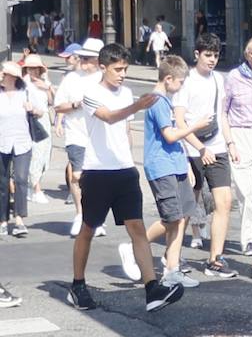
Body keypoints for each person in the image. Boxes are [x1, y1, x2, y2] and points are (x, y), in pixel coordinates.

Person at [66, 43, 185, 313]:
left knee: (137, 228)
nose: (122, 74)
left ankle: (152, 288)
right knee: (88, 228)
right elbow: (109, 118)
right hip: (98, 172)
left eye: (125, 69)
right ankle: (78, 284)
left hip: (124, 171)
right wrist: (137, 105)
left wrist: (131, 162)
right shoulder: (90, 93)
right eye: (117, 69)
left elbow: (126, 129)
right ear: (102, 67)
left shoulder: (128, 91)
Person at [123, 54, 208, 289]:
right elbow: (170, 134)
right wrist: (196, 126)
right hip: (161, 167)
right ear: (168, 78)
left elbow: (173, 138)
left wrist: (185, 165)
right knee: (172, 218)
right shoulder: (157, 101)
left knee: (181, 218)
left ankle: (172, 269)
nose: (181, 87)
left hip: (175, 164)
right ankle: (134, 247)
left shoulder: (165, 100)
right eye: (180, 83)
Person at [177, 33, 237, 278]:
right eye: (207, 55)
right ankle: (173, 258)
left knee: (224, 202)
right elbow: (179, 121)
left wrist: (230, 142)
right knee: (186, 207)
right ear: (197, 55)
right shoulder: (186, 81)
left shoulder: (218, 80)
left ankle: (215, 259)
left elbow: (221, 114)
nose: (212, 60)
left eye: (216, 55)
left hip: (217, 146)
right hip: (192, 148)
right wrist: (200, 149)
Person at [54, 39, 104, 237]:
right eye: (81, 57)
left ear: (98, 60)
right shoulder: (71, 78)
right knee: (77, 176)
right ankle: (80, 214)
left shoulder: (104, 79)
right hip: (76, 134)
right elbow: (58, 106)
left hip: (99, 135)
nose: (82, 61)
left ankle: (95, 218)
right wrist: (76, 105)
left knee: (97, 179)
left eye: (87, 58)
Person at [224, 37, 252, 256]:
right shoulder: (234, 77)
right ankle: (248, 239)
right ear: (246, 55)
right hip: (240, 133)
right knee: (246, 191)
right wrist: (230, 142)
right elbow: (222, 112)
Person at [0, 61, 34, 238]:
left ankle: (19, 219)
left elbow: (42, 110)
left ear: (12, 77)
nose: (1, 75)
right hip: (2, 143)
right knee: (2, 183)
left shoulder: (25, 93)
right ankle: (3, 221)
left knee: (21, 179)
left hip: (22, 142)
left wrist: (33, 109)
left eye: (4, 73)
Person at [21, 56, 54, 207]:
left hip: (45, 120)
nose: (32, 71)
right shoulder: (24, 84)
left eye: (35, 68)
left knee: (45, 156)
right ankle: (36, 189)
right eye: (29, 68)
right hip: (31, 121)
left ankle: (32, 186)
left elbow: (52, 101)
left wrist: (47, 87)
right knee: (36, 154)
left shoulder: (44, 82)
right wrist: (34, 110)